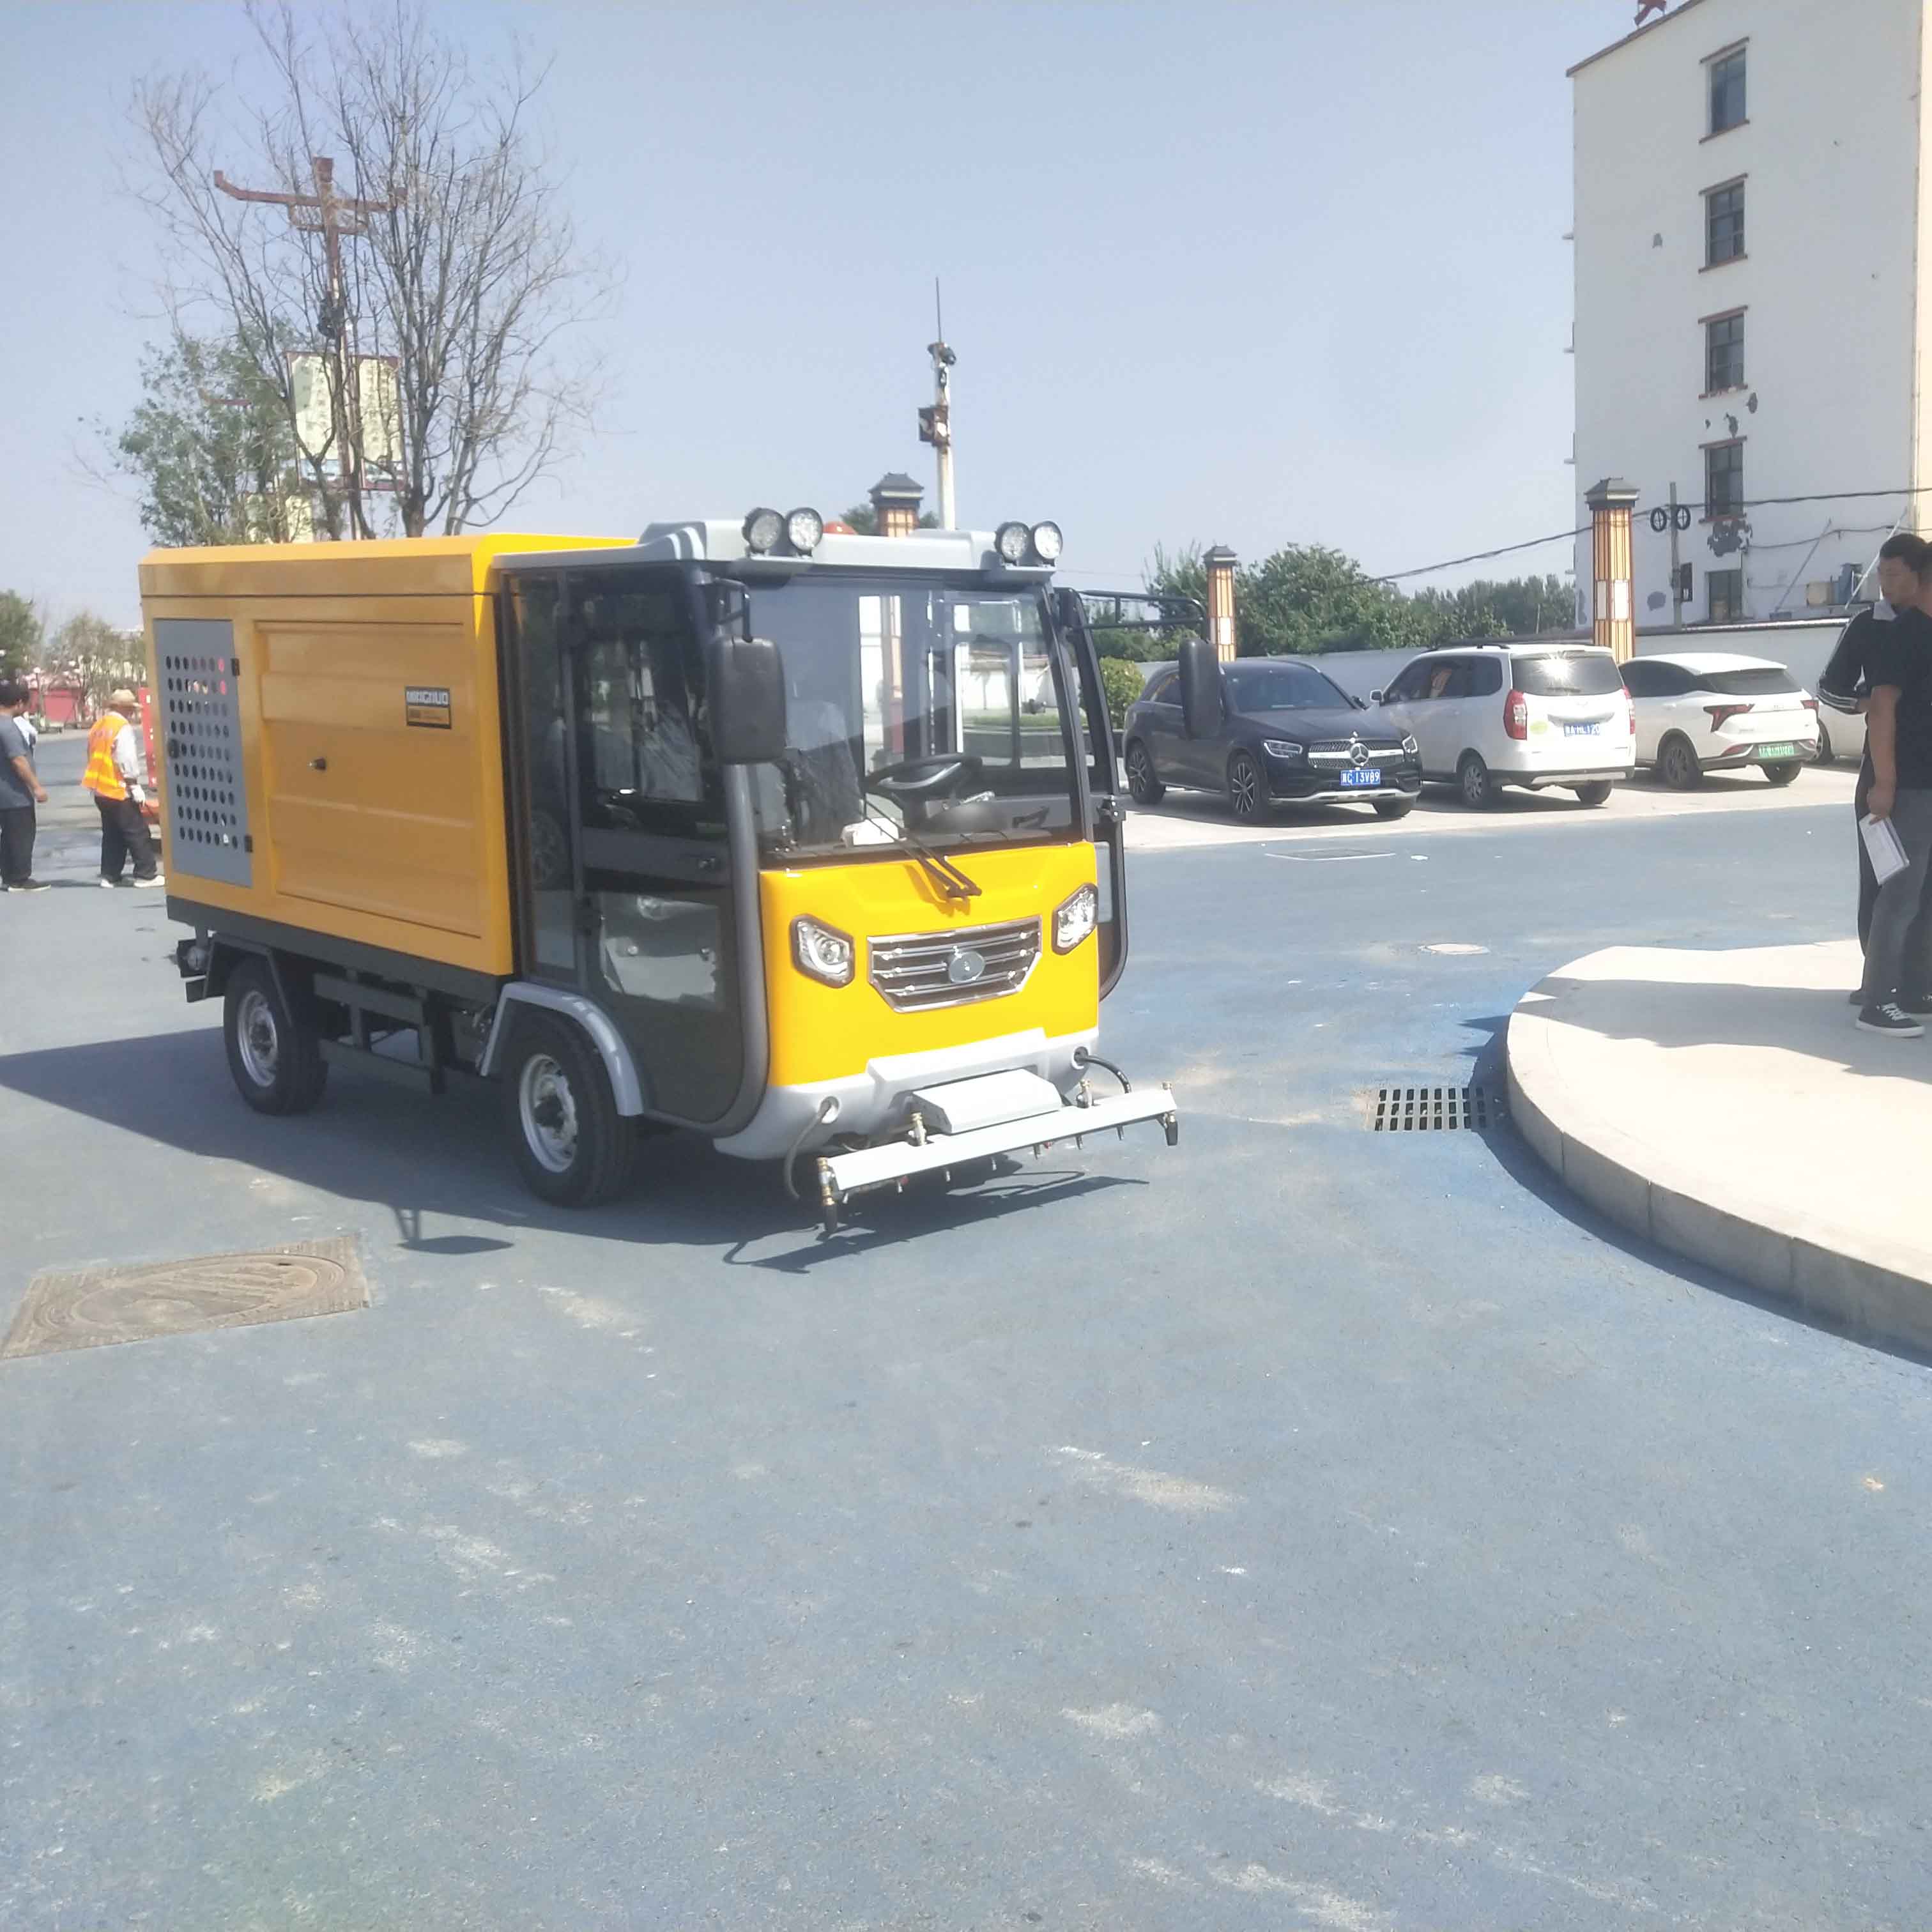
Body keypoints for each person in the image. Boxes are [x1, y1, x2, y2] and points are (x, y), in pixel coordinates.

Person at [1856, 537, 1932, 1035]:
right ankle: (1877, 1002)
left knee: (1924, 897)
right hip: (1909, 787)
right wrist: (1884, 783)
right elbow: (1881, 710)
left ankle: (1915, 989)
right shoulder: (1906, 634)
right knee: (1900, 895)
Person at [1818, 599, 1885, 976]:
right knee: (1882, 873)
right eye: (1884, 575)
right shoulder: (1872, 624)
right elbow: (1829, 686)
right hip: (1883, 772)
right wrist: (1867, 703)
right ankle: (1878, 976)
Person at [82, 687, 163, 889]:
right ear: (122, 708)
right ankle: (146, 875)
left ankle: (110, 875)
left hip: (100, 788)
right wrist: (134, 785)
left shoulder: (99, 725)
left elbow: (91, 754)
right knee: (138, 832)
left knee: (113, 833)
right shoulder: (122, 727)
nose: (131, 712)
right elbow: (126, 759)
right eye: (129, 708)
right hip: (119, 789)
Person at [0, 677, 51, 893]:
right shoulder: (8, 728)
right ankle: (20, 878)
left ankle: (9, 875)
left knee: (8, 835)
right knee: (21, 835)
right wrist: (36, 787)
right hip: (15, 794)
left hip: (4, 794)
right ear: (19, 703)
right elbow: (18, 760)